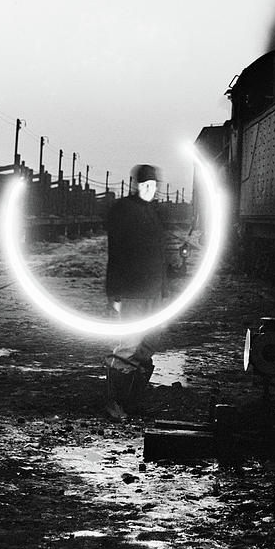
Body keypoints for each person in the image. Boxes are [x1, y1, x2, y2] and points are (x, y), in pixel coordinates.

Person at [104, 163, 166, 420]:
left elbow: (160, 253)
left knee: (147, 345)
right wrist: (115, 293)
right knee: (128, 346)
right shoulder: (122, 210)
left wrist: (164, 291)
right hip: (130, 290)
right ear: (136, 185)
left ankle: (132, 401)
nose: (150, 189)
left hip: (154, 291)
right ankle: (114, 402)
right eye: (145, 185)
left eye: (153, 185)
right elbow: (116, 252)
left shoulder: (155, 212)